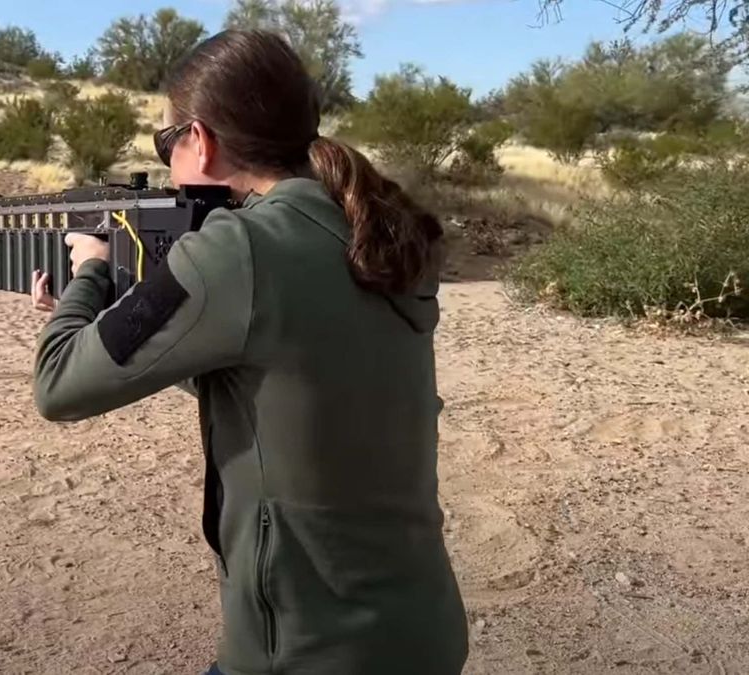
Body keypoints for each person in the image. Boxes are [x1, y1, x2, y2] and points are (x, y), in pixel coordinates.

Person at [28, 29, 468, 675]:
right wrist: (117, 323)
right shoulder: (372, 229)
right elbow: (276, 370)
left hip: (306, 653)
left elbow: (58, 384)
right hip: (420, 631)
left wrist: (90, 274)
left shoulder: (238, 248)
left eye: (167, 142)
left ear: (200, 140)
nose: (168, 157)